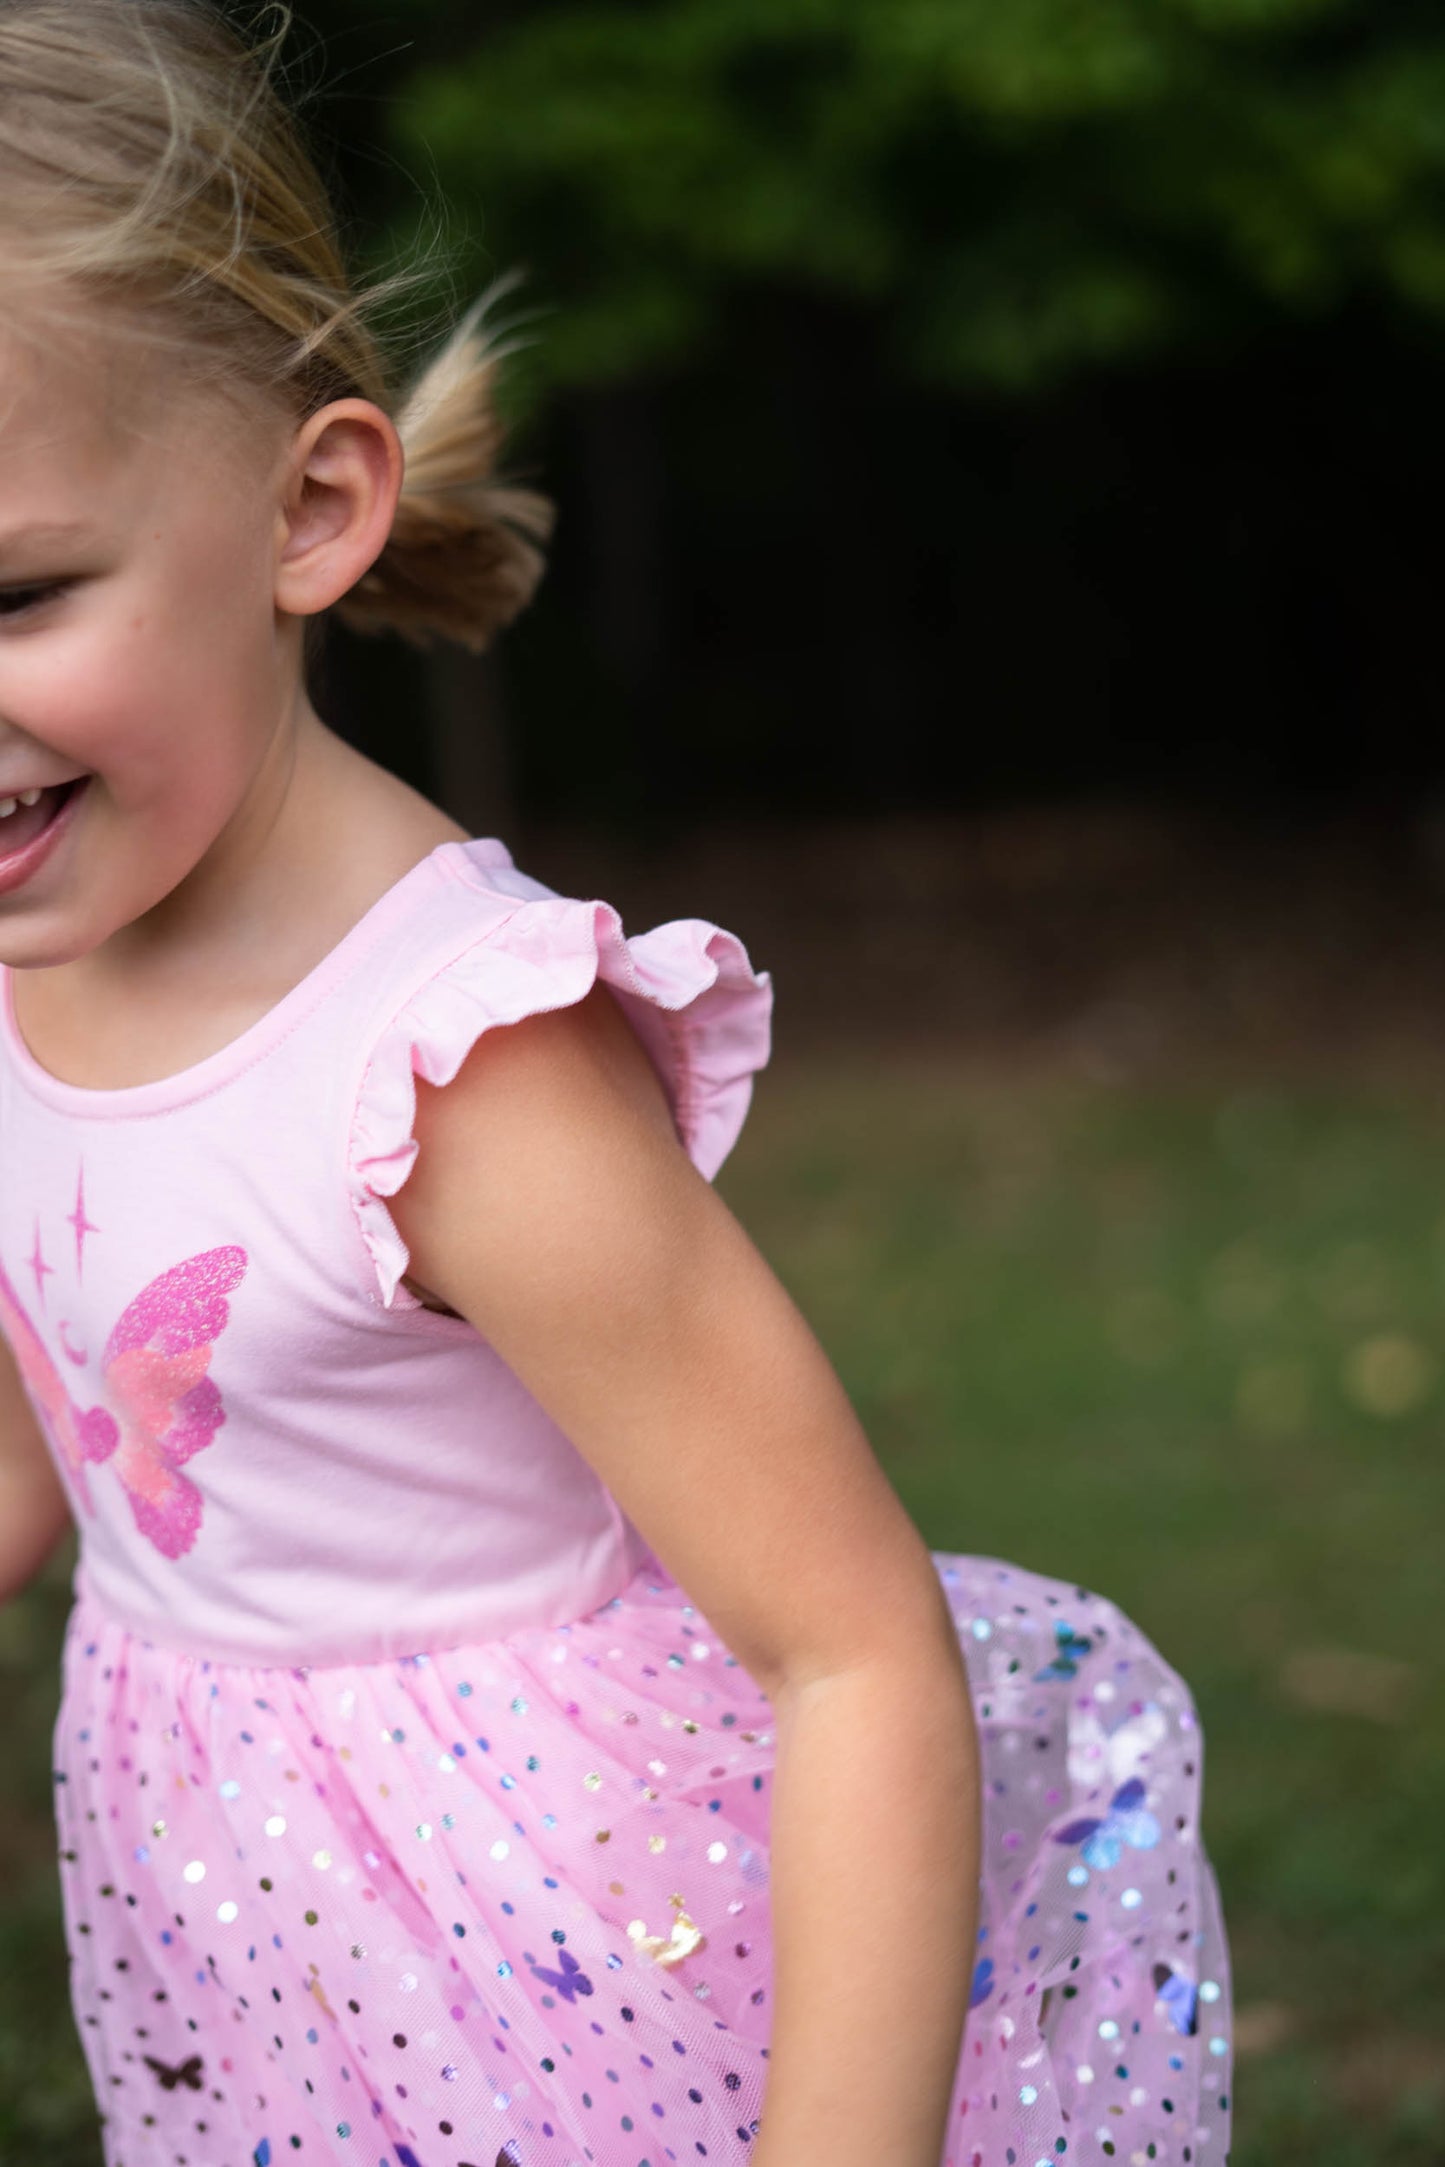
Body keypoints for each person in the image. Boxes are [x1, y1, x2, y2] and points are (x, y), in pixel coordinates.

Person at [0, 6, 1233, 2165]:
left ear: (312, 506)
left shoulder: (451, 1071)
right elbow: (66, 1419)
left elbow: (851, 1652)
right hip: (236, 1927)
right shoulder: (38, 936)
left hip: (556, 1948)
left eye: (15, 593)